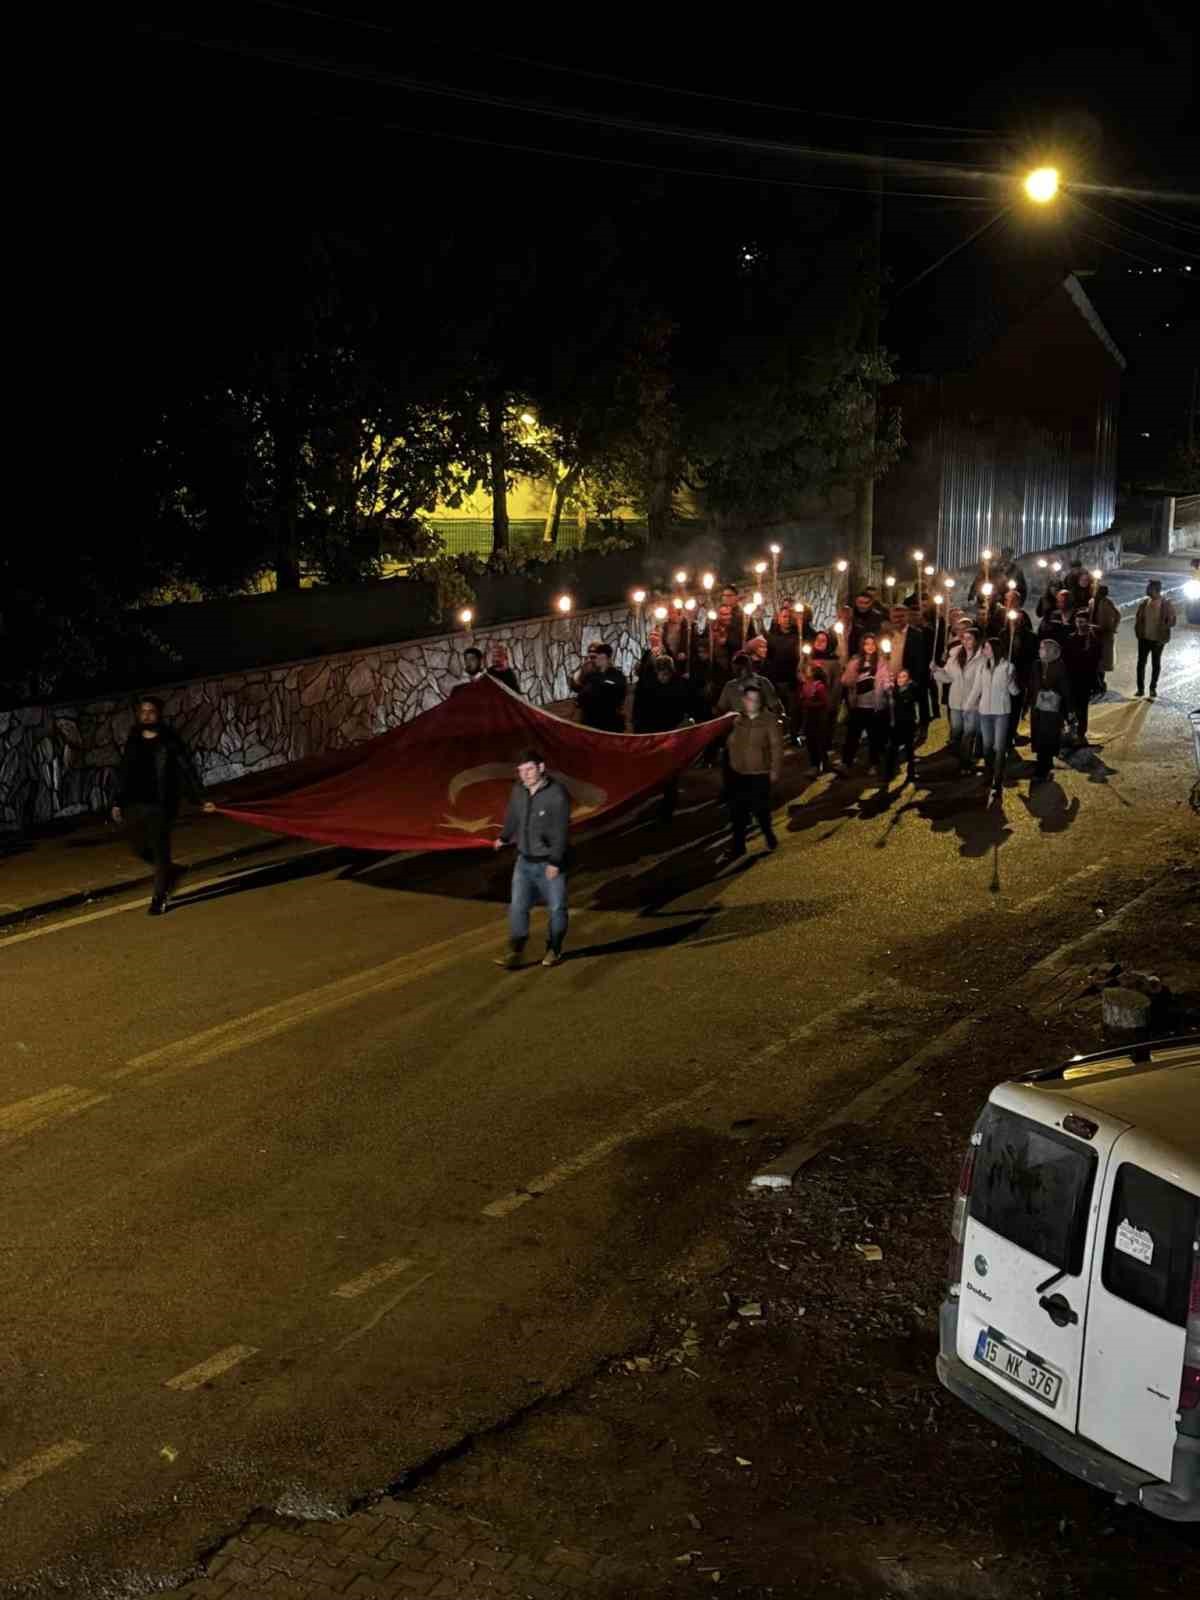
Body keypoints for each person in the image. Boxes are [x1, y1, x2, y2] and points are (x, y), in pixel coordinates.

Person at [111, 696, 215, 916]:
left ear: (158, 715)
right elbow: (124, 772)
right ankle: (168, 869)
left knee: (160, 850)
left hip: (161, 805)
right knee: (138, 847)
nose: (147, 715)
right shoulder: (134, 738)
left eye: (151, 711)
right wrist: (118, 801)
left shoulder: (169, 740)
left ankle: (159, 897)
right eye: (143, 711)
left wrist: (201, 799)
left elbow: (187, 770)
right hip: (134, 803)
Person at [493, 749, 570, 969]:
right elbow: (512, 816)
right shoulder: (518, 790)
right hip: (524, 861)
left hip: (550, 863)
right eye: (521, 770)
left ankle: (554, 948)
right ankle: (514, 951)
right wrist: (504, 837)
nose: (525, 775)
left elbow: (561, 831)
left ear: (541, 768)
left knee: (556, 908)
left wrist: (555, 861)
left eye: (529, 769)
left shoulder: (557, 793)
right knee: (518, 907)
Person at [726, 684, 783, 857]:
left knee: (761, 809)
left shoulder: (769, 720)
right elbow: (731, 743)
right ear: (744, 700)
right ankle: (738, 846)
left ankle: (768, 834)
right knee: (738, 811)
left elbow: (776, 746)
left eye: (756, 700)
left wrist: (775, 770)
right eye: (749, 699)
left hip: (759, 772)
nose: (752, 703)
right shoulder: (737, 720)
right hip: (739, 772)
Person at [633, 656, 692, 821]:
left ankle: (668, 805)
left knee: (670, 772)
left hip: (671, 733)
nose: (663, 677)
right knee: (652, 769)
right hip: (651, 732)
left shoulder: (679, 684)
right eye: (661, 673)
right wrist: (639, 730)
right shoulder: (646, 685)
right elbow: (639, 709)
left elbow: (686, 706)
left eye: (666, 673)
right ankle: (653, 801)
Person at [970, 637, 1019, 799]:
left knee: (999, 748)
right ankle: (988, 775)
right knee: (987, 747)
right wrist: (968, 706)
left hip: (1001, 712)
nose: (984, 651)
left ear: (995, 649)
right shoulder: (982, 667)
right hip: (985, 712)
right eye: (984, 648)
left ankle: (997, 781)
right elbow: (977, 688)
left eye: (987, 648)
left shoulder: (1008, 667)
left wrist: (1011, 680)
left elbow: (1014, 692)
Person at [838, 634, 891, 776]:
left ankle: (874, 763)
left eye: (872, 643)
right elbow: (846, 681)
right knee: (852, 736)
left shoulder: (881, 662)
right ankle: (846, 763)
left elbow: (886, 680)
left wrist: (889, 686)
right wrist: (848, 670)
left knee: (874, 737)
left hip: (874, 705)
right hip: (858, 705)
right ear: (862, 646)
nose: (870, 646)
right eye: (866, 644)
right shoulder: (856, 661)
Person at [935, 626, 985, 772]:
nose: (965, 641)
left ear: (976, 640)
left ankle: (965, 762)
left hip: (973, 703)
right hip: (956, 701)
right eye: (963, 638)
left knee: (969, 733)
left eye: (969, 638)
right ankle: (957, 757)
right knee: (956, 731)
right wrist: (936, 671)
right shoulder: (955, 656)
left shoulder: (982, 659)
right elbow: (948, 677)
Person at [883, 606, 930, 735]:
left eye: (901, 616)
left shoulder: (917, 634)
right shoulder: (886, 634)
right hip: (891, 676)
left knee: (910, 706)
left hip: (909, 677)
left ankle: (917, 729)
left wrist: (913, 679)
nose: (898, 619)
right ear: (890, 617)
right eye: (895, 616)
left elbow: (921, 658)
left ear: (907, 617)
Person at [1028, 640, 1068, 783]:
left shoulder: (1060, 666)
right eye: (1040, 648)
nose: (1040, 650)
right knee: (1038, 734)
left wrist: (1068, 711)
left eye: (1043, 648)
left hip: (1052, 709)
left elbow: (1065, 689)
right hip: (1037, 707)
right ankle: (1043, 761)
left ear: (1052, 652)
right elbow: (1031, 685)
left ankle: (1043, 766)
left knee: (1048, 735)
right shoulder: (1036, 665)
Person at [1134, 579, 1178, 700]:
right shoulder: (1144, 603)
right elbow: (1138, 619)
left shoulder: (1165, 604)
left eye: (1149, 588)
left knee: (1155, 664)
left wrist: (1164, 629)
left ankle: (1153, 688)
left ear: (1156, 590)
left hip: (1158, 640)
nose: (1147, 590)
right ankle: (1140, 689)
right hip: (1144, 638)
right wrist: (1138, 632)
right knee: (1141, 664)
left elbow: (1173, 621)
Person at [1063, 611, 1101, 745]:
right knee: (1069, 706)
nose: (1079, 625)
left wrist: (1087, 653)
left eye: (1083, 622)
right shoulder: (1070, 638)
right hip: (1070, 678)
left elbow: (1096, 661)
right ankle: (1070, 730)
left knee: (1082, 708)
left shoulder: (1093, 641)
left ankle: (1081, 734)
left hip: (1084, 680)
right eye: (1078, 622)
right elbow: (1065, 658)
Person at [573, 643, 627, 731]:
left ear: (607, 658)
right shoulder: (591, 675)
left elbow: (618, 695)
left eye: (598, 656)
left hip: (609, 725)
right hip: (590, 724)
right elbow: (580, 691)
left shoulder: (617, 676)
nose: (595, 659)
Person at [765, 603, 803, 730]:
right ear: (779, 619)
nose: (787, 619)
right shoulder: (772, 637)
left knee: (792, 710)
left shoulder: (798, 637)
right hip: (775, 680)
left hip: (792, 680)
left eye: (789, 617)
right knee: (776, 710)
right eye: (784, 617)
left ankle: (793, 734)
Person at [882, 667, 920, 786]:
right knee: (892, 748)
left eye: (904, 677)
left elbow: (907, 701)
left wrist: (894, 696)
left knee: (909, 750)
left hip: (907, 724)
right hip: (895, 725)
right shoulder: (894, 691)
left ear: (909, 680)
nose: (900, 679)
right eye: (899, 676)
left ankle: (911, 772)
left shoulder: (911, 690)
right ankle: (888, 773)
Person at [716, 650, 782, 717]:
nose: (740, 666)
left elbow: (776, 707)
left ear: (750, 664)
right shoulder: (730, 686)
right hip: (739, 724)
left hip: (759, 723)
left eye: (743, 662)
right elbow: (720, 709)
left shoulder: (762, 682)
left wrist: (780, 719)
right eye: (737, 663)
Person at [797, 655, 833, 773]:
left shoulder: (819, 686)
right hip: (809, 718)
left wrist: (810, 704)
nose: (806, 670)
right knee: (811, 742)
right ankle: (814, 764)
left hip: (818, 718)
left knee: (819, 742)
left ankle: (823, 764)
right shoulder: (806, 685)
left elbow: (824, 702)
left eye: (808, 669)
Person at [1090, 584, 1119, 695]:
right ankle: (1097, 684)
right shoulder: (1092, 601)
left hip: (1104, 635)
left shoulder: (1107, 602)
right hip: (1093, 634)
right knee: (1095, 660)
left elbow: (1117, 615)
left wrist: (1113, 628)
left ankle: (1100, 684)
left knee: (1101, 661)